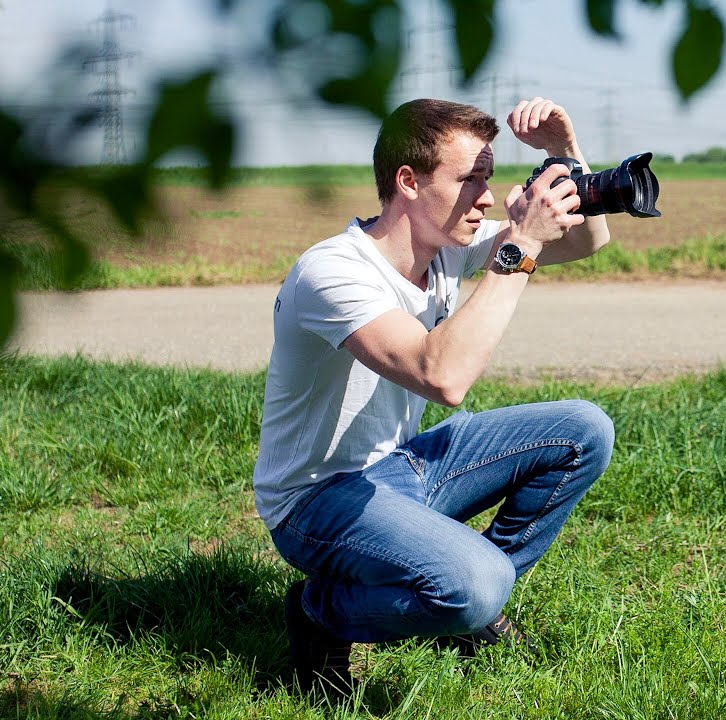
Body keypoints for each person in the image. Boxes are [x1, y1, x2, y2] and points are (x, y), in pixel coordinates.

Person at [252, 97, 615, 694]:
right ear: (408, 182)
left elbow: (586, 243)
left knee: (584, 429)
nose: (488, 197)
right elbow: (441, 376)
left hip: (405, 466)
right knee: (476, 583)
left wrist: (562, 154)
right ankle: (323, 614)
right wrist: (519, 246)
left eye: (490, 179)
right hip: (317, 502)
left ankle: (466, 611)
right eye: (469, 179)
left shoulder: (445, 245)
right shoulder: (332, 272)